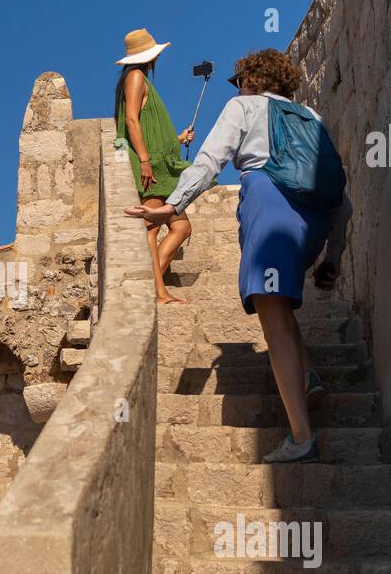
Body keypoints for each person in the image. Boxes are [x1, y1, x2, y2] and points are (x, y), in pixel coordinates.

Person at [125, 48, 353, 464]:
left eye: (239, 80)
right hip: (314, 224)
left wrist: (172, 207)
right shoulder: (311, 118)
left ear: (249, 79)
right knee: (280, 305)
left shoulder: (242, 106)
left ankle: (301, 438)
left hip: (270, 210)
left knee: (273, 320)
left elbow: (209, 162)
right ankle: (307, 374)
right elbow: (342, 196)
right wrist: (333, 255)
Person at [113, 28, 197, 305]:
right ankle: (159, 292)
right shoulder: (135, 77)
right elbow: (132, 121)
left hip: (159, 166)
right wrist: (145, 162)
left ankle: (151, 288)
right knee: (151, 228)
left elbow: (148, 128)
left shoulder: (139, 78)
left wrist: (177, 139)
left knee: (182, 227)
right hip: (150, 167)